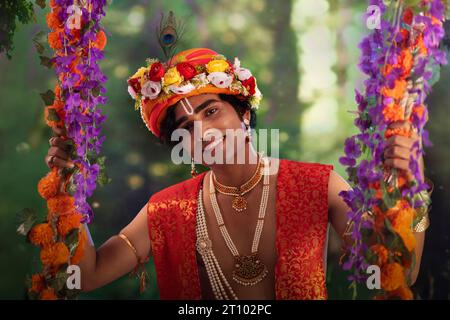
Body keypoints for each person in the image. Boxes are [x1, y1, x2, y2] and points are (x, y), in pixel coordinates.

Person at [45, 48, 428, 300]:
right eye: (186, 126)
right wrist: (67, 191)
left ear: (244, 114)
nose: (202, 131)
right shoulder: (167, 209)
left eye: (211, 111)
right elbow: (87, 276)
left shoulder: (318, 184)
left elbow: (399, 272)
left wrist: (412, 183)